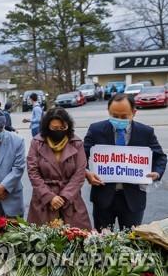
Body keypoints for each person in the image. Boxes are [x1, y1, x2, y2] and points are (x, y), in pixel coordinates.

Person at [84, 94, 167, 229]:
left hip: (133, 199)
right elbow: (81, 157)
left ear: (134, 112)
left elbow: (160, 157)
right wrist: (87, 172)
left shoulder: (145, 132)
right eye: (115, 116)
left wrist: (156, 173)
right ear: (108, 111)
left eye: (124, 116)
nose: (119, 120)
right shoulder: (95, 130)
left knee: (131, 242)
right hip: (103, 197)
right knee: (101, 240)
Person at [27, 108, 91, 229]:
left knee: (76, 239)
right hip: (43, 200)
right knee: (43, 242)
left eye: (63, 128)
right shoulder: (37, 143)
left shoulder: (76, 143)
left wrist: (64, 197)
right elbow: (33, 172)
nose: (59, 132)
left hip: (71, 200)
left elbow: (79, 173)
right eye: (55, 128)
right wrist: (49, 197)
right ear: (47, 127)